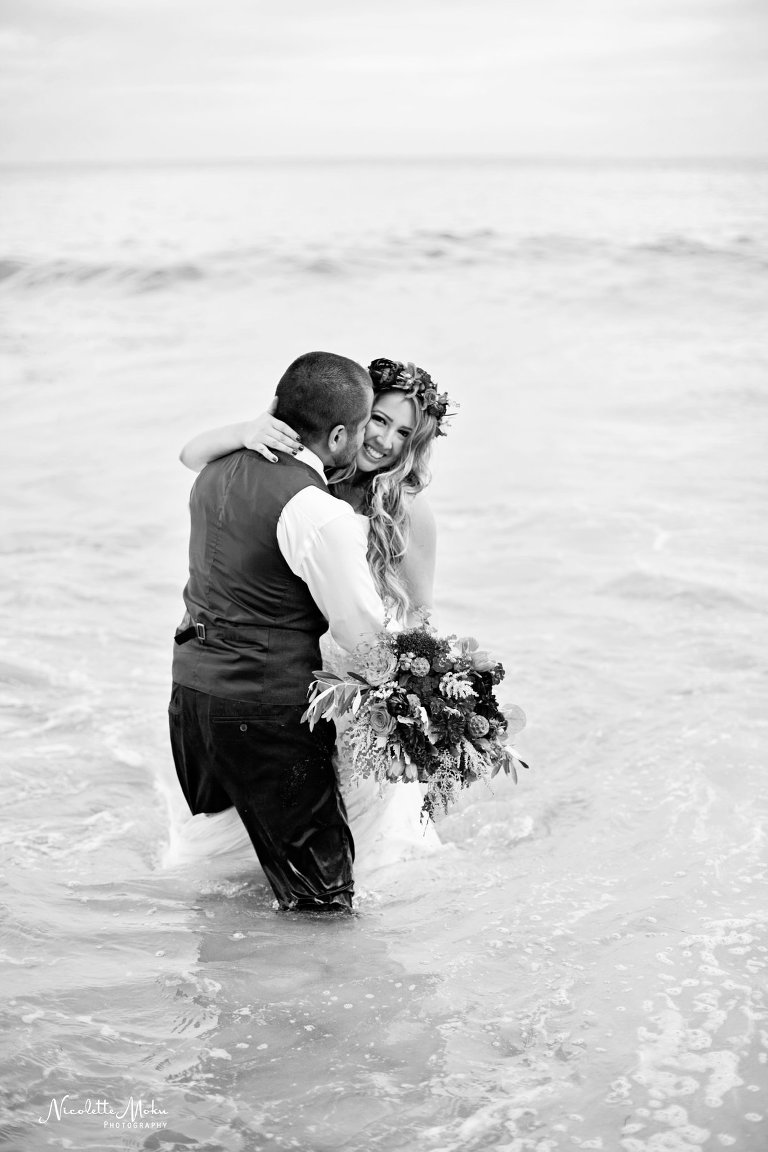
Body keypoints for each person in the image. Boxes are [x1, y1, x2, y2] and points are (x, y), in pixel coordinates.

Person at [170, 358, 454, 880]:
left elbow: (418, 613)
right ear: (353, 418)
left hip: (353, 676)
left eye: (403, 433)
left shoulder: (408, 510)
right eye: (380, 420)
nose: (385, 440)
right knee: (278, 832)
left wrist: (416, 704)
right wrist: (245, 429)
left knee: (358, 837)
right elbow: (192, 454)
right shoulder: (301, 475)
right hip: (288, 671)